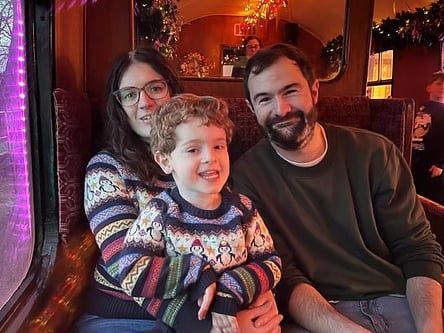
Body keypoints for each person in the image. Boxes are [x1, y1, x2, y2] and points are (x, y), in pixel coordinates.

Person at [231, 43, 444, 333]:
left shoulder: (375, 152)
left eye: (290, 91)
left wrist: (430, 328)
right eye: (265, 99)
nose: (281, 109)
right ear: (251, 108)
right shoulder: (246, 177)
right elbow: (284, 276)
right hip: (319, 315)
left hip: (401, 299)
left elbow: (417, 248)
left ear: (314, 91)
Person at [74, 47, 281, 333]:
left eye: (155, 88)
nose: (145, 102)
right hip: (127, 316)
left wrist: (253, 292)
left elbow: (236, 250)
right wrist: (207, 325)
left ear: (171, 92)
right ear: (119, 106)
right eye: (130, 94)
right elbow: (128, 268)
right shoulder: (107, 168)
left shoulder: (208, 170)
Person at [119, 93, 282, 333]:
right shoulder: (160, 211)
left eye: (218, 146)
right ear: (165, 161)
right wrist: (196, 271)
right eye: (193, 149)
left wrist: (231, 286)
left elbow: (271, 263)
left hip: (245, 317)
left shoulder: (243, 208)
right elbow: (131, 272)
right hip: (187, 325)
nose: (210, 158)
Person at [412, 71, 444, 205]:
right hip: (415, 163)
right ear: (428, 87)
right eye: (439, 83)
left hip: (434, 167)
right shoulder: (418, 108)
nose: (443, 87)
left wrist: (441, 165)